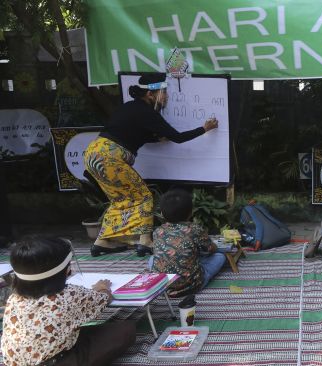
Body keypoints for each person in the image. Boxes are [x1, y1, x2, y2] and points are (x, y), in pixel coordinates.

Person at [83, 73, 219, 257]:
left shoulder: (131, 107)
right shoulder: (147, 112)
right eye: (164, 93)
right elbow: (177, 138)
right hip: (110, 157)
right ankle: (145, 242)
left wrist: (156, 138)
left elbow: (133, 133)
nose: (167, 97)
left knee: (121, 199)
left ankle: (102, 242)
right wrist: (204, 128)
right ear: (150, 95)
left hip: (94, 153)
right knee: (144, 196)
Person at [1, 237, 136, 366]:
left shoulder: (14, 298)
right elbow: (104, 299)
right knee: (125, 330)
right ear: (65, 271)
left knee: (75, 331)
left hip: (16, 362)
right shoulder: (68, 295)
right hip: (59, 362)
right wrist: (103, 288)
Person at [151, 188, 226, 298]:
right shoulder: (194, 229)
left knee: (152, 259)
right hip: (191, 286)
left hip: (162, 286)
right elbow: (211, 249)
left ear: (162, 213)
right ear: (190, 213)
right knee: (220, 257)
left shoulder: (158, 231)